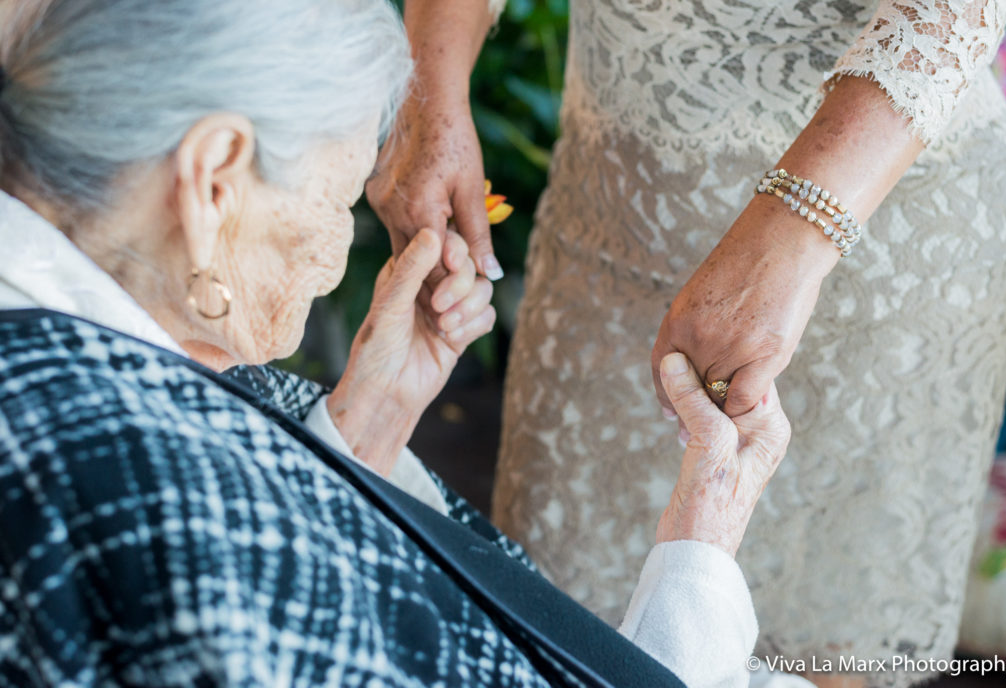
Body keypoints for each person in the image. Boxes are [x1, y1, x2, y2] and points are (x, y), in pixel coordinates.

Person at [0, 1, 800, 686]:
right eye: (341, 196)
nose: (338, 245)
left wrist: (362, 433)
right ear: (214, 179)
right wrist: (704, 538)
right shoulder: (150, 504)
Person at [368, 1, 1006, 686]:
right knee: (554, 624)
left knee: (828, 651)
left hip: (882, 239)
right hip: (614, 215)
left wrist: (791, 241)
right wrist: (430, 97)